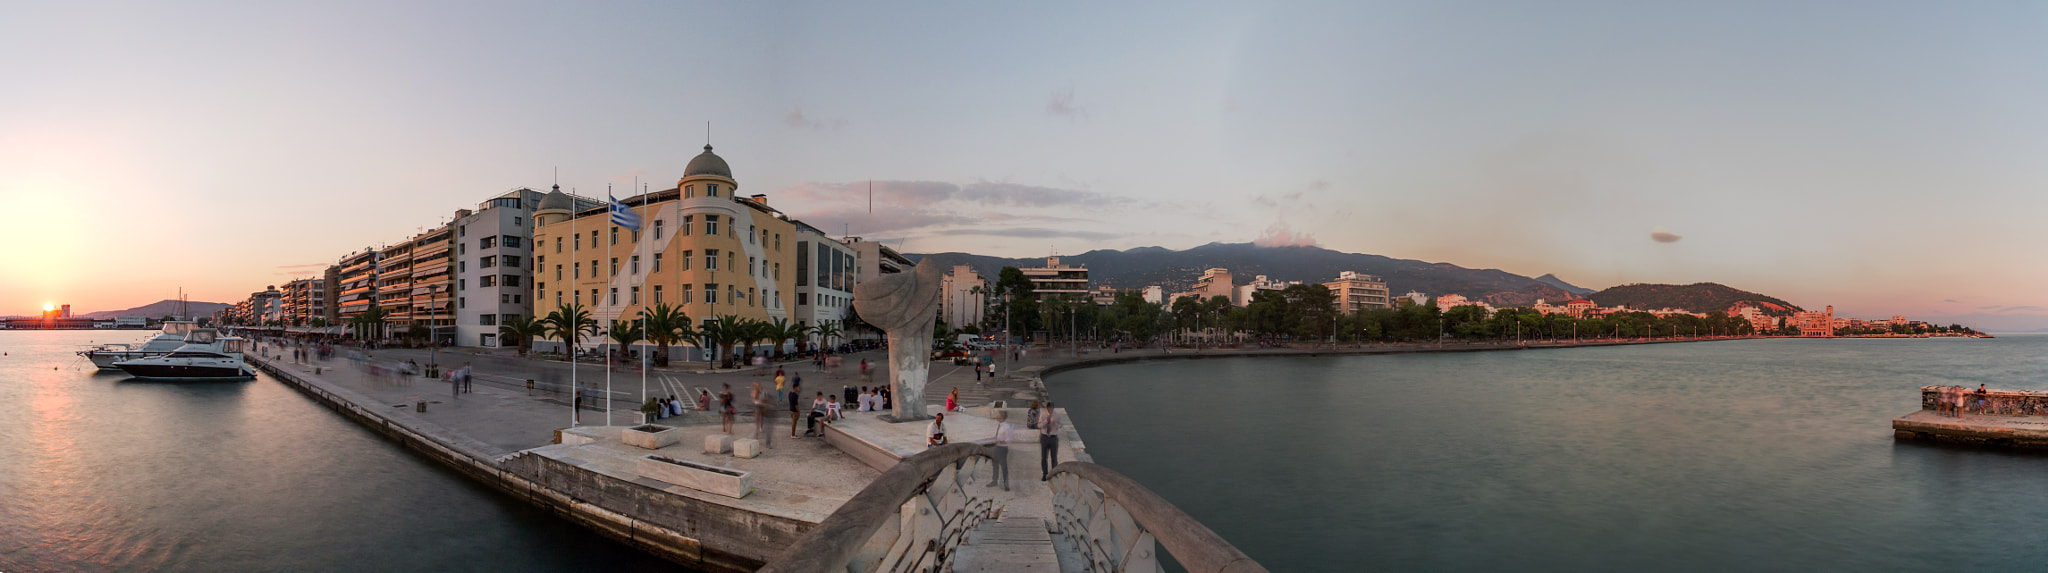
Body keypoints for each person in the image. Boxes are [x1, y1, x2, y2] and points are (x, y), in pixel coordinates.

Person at [986, 410, 1012, 491]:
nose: (997, 415)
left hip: (1002, 448)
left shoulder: (1006, 427)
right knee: (995, 465)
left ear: (1001, 416)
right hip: (995, 447)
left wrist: (999, 442)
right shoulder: (998, 425)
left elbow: (1009, 439)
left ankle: (1006, 484)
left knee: (1003, 466)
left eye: (998, 414)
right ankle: (994, 481)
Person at [1039, 402, 1061, 481]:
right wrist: (1046, 421)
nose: (1051, 410)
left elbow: (1060, 425)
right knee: (1044, 457)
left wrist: (1055, 424)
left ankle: (1054, 474)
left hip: (1053, 437)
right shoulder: (1043, 415)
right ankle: (1045, 474)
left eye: (1052, 408)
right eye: (1049, 408)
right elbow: (1039, 425)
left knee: (1054, 457)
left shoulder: (1057, 415)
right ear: (1047, 408)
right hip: (1044, 437)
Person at [751, 383, 773, 449]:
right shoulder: (755, 392)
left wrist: (766, 404)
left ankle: (761, 427)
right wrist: (757, 391)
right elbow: (755, 398)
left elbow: (765, 399)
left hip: (762, 406)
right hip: (757, 406)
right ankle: (757, 430)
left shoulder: (763, 392)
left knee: (763, 418)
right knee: (757, 419)